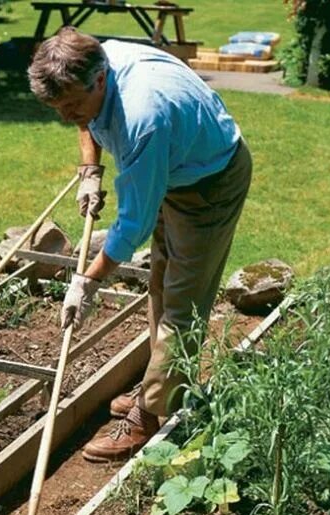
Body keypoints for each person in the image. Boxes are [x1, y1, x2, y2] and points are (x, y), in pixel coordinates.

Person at [28, 27, 252, 462]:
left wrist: (86, 282)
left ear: (99, 80)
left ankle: (151, 417)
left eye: (71, 105)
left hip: (210, 183)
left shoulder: (142, 116)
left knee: (183, 302)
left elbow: (132, 225)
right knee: (161, 283)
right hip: (176, 164)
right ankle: (161, 388)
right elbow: (87, 119)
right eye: (57, 107)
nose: (66, 116)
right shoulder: (96, 60)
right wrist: (89, 170)